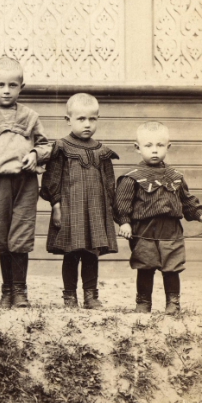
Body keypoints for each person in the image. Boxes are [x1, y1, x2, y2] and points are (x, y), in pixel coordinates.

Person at [0, 56, 50, 309]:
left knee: (21, 234)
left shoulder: (30, 117)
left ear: (21, 87)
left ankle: (20, 290)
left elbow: (45, 145)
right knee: (3, 235)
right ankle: (7, 290)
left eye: (12, 85)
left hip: (25, 183)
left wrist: (35, 154)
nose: (6, 90)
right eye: (1, 85)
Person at [114, 121, 202, 315]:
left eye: (160, 145)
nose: (154, 150)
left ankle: (173, 303)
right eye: (148, 145)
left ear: (168, 146)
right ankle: (143, 302)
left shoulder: (175, 176)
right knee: (145, 265)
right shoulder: (131, 178)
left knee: (172, 267)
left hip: (171, 230)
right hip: (144, 230)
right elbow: (121, 204)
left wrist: (200, 215)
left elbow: (187, 201)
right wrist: (124, 222)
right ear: (137, 148)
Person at [41, 93, 119, 309]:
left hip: (95, 212)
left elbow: (109, 184)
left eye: (92, 119)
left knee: (91, 254)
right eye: (81, 119)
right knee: (72, 253)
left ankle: (91, 296)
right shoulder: (62, 147)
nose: (87, 124)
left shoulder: (101, 151)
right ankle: (69, 296)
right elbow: (52, 180)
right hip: (70, 210)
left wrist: (109, 211)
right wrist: (56, 206)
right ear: (68, 120)